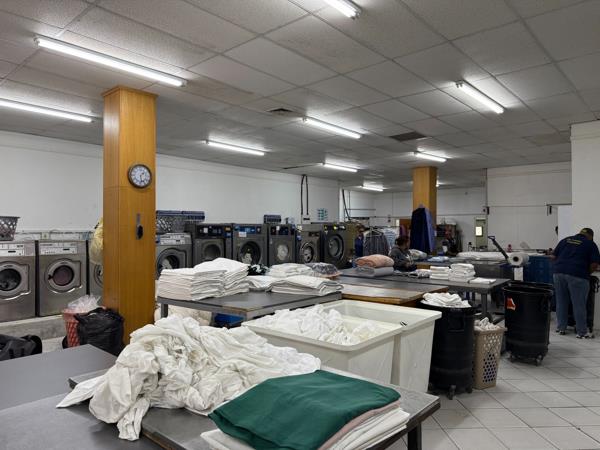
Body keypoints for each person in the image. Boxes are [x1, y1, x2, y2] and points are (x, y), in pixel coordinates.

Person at [553, 228, 600, 338]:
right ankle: (582, 332)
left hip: (558, 273)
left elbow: (553, 257)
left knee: (561, 302)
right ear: (590, 236)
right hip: (578, 275)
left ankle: (561, 328)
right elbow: (594, 264)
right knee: (579, 304)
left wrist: (561, 266)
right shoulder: (590, 244)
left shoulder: (565, 240)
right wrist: (586, 272)